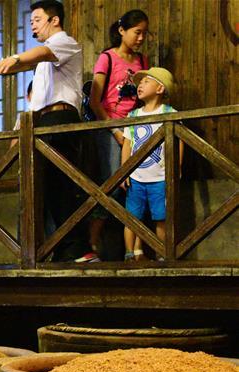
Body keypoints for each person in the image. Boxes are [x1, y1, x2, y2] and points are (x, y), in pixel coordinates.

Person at [0, 0, 90, 262]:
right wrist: (18, 134)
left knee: (63, 186)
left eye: (37, 19)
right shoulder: (44, 62)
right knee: (43, 188)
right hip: (41, 123)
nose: (32, 25)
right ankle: (55, 249)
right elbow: (35, 100)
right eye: (31, 21)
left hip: (61, 118)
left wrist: (13, 58)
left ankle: (78, 249)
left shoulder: (64, 42)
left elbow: (39, 53)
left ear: (54, 20)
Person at [85, 9, 150, 262]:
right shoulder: (107, 58)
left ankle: (135, 250)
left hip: (135, 128)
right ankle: (92, 243)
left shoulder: (142, 61)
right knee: (112, 185)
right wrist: (114, 130)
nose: (141, 38)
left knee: (136, 186)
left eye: (145, 33)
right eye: (137, 32)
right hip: (110, 127)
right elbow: (94, 100)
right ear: (122, 31)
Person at [121, 68, 180, 261]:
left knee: (161, 217)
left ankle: (162, 254)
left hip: (160, 177)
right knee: (131, 217)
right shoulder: (133, 115)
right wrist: (124, 172)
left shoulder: (169, 113)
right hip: (136, 177)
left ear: (160, 88)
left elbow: (180, 142)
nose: (140, 85)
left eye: (146, 81)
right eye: (140, 82)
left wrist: (176, 168)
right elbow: (128, 144)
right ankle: (130, 253)